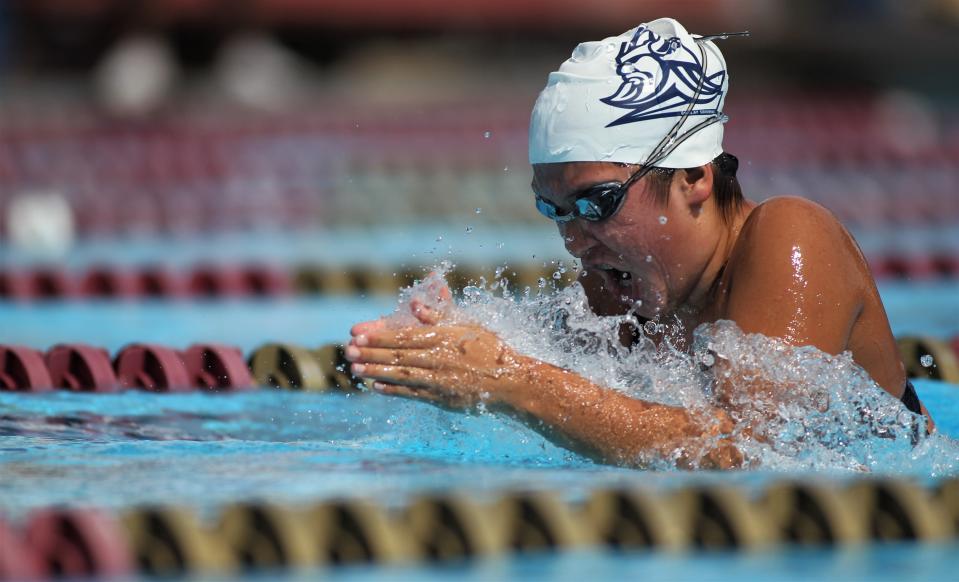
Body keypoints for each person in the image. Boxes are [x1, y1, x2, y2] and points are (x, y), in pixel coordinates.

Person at [345, 18, 932, 469]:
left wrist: (506, 378)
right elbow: (545, 367)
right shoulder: (623, 290)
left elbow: (748, 456)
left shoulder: (791, 238)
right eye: (553, 208)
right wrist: (445, 349)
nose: (574, 240)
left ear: (695, 177)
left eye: (598, 202)